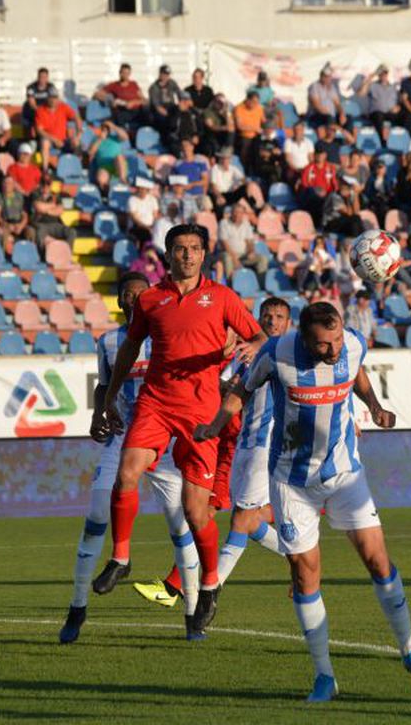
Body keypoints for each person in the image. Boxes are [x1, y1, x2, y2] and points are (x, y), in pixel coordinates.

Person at [194, 302, 411, 701]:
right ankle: (324, 676)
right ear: (306, 340)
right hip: (291, 483)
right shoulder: (277, 352)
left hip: (345, 474)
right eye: (325, 345)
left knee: (379, 561)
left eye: (338, 339)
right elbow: (243, 388)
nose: (334, 350)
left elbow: (357, 374)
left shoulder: (352, 345)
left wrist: (375, 407)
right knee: (306, 576)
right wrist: (215, 424)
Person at [100, 224, 266, 639]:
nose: (187, 255)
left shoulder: (223, 297)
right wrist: (110, 395)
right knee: (127, 472)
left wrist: (252, 345)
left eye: (194, 248)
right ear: (168, 254)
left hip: (201, 410)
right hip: (156, 402)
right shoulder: (151, 299)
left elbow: (259, 335)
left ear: (205, 254)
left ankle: (209, 586)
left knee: (196, 512)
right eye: (180, 248)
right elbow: (129, 349)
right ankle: (121, 558)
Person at [60, 272, 195, 641]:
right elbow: (104, 384)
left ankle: (192, 613)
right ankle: (77, 607)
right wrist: (97, 414)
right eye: (127, 294)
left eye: (140, 294)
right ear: (119, 301)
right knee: (95, 517)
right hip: (122, 440)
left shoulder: (168, 336)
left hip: (163, 440)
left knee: (181, 524)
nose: (133, 299)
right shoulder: (108, 342)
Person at [197, 299, 292, 593]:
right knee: (250, 522)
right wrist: (230, 380)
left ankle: (209, 592)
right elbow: (226, 389)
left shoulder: (292, 355)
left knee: (241, 519)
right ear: (257, 319)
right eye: (267, 316)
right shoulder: (247, 353)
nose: (272, 322)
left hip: (269, 446)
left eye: (279, 317)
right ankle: (300, 558)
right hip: (246, 444)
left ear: (288, 323)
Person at [218, 200, 269, 280]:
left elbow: (249, 241)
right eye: (236, 212)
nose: (238, 214)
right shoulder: (224, 223)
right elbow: (224, 244)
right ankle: (231, 285)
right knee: (227, 258)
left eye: (240, 212)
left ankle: (261, 285)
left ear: (243, 214)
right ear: (231, 213)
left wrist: (251, 251)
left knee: (262, 259)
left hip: (243, 254)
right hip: (228, 253)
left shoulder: (246, 223)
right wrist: (234, 259)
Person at [95, 63, 146, 131]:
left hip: (136, 111)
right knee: (118, 116)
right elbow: (97, 94)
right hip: (123, 110)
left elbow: (144, 100)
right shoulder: (114, 85)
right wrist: (110, 101)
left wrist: (134, 102)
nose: (125, 75)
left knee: (147, 114)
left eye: (127, 73)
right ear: (120, 73)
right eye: (124, 73)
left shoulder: (134, 84)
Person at [34, 88, 80, 163]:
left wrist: (78, 135)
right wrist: (54, 140)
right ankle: (45, 171)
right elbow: (39, 130)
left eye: (55, 97)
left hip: (63, 140)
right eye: (51, 97)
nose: (53, 100)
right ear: (47, 98)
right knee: (45, 143)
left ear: (58, 99)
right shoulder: (41, 110)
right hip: (49, 140)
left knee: (76, 142)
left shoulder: (63, 107)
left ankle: (76, 167)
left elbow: (77, 117)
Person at [28, 181, 77, 248]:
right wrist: (53, 205)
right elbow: (39, 207)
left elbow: (60, 211)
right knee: (40, 235)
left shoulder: (55, 196)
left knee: (72, 232)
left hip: (56, 224)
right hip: (41, 223)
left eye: (48, 184)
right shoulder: (35, 194)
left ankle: (66, 252)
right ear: (40, 185)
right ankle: (43, 257)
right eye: (44, 184)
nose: (46, 186)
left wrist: (46, 211)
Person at [367, 64, 402, 135]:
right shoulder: (373, 85)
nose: (383, 75)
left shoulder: (393, 87)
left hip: (390, 113)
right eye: (381, 73)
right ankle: (383, 140)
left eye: (385, 73)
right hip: (377, 113)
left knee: (404, 116)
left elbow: (400, 101)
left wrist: (398, 107)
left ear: (387, 74)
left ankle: (403, 140)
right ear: (378, 75)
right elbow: (361, 93)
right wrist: (369, 79)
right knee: (378, 116)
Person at [307, 64, 345, 128]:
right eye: (325, 76)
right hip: (318, 116)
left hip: (331, 116)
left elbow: (337, 103)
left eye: (329, 77)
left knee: (348, 119)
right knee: (329, 119)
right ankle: (331, 135)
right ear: (321, 76)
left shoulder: (332, 87)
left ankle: (349, 137)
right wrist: (330, 115)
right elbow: (316, 105)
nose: (327, 78)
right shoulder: (314, 86)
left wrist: (342, 113)